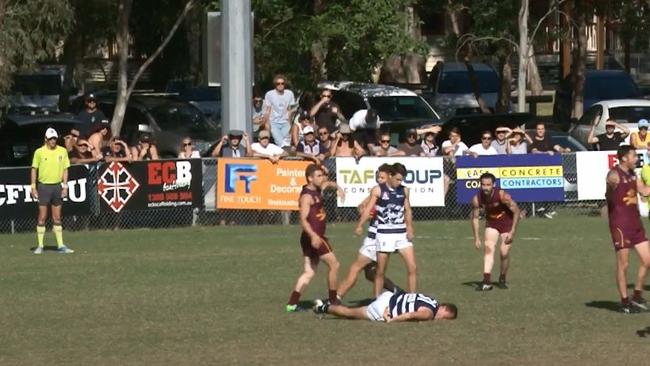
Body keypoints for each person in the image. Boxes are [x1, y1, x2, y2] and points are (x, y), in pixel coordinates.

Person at [286, 164, 344, 312]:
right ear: (310, 178)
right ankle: (333, 301)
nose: (322, 178)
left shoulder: (318, 187)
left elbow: (328, 183)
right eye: (318, 176)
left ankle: (292, 304)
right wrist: (313, 236)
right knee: (334, 264)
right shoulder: (306, 197)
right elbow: (303, 220)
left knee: (309, 272)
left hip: (311, 237)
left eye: (322, 175)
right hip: (314, 237)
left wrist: (339, 188)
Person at [337, 164, 400, 299]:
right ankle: (398, 292)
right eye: (378, 177)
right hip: (380, 238)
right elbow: (363, 206)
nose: (379, 180)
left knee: (355, 268)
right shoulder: (377, 190)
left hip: (376, 238)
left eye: (382, 177)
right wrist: (363, 208)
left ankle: (336, 298)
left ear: (390, 177)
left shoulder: (390, 193)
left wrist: (362, 222)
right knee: (371, 273)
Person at [356, 163, 416, 297]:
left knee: (412, 267)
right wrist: (360, 225)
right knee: (380, 271)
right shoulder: (378, 190)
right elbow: (367, 210)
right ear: (390, 176)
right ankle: (376, 300)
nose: (399, 182)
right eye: (397, 179)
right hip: (384, 234)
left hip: (401, 234)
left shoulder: (404, 190)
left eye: (402, 180)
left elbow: (407, 209)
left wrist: (410, 227)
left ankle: (412, 299)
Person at [605, 145, 650, 313]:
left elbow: (644, 191)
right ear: (624, 158)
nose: (636, 159)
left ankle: (637, 295)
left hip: (635, 223)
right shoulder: (614, 175)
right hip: (621, 225)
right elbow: (608, 192)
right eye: (634, 156)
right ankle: (624, 301)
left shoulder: (633, 174)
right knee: (623, 264)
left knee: (647, 260)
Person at [470, 173, 520, 291]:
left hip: (507, 223)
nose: (485, 188)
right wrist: (476, 237)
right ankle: (486, 281)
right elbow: (475, 218)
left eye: (488, 185)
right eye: (483, 185)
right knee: (489, 248)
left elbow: (517, 211)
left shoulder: (502, 195)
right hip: (492, 223)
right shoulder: (476, 198)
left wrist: (512, 231)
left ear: (493, 185)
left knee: (503, 253)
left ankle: (502, 278)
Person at [30, 128, 74, 254]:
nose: (53, 141)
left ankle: (60, 245)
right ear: (46, 139)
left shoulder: (62, 151)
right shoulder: (39, 152)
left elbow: (66, 169)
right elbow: (34, 169)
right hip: (44, 187)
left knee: (57, 218)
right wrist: (33, 187)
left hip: (57, 186)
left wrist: (65, 186)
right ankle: (40, 245)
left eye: (54, 138)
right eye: (50, 139)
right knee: (42, 217)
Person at [313, 290, 458, 322]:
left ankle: (322, 307)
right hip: (383, 309)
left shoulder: (432, 300)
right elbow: (410, 315)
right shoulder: (429, 313)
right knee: (350, 314)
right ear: (444, 309)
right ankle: (323, 308)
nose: (442, 320)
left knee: (351, 312)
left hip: (389, 296)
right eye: (445, 318)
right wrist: (391, 319)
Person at [263, 74, 295, 148]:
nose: (280, 85)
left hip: (285, 122)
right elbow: (268, 110)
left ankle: (283, 156)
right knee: (280, 142)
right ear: (275, 85)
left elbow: (289, 110)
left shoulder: (289, 94)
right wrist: (267, 124)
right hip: (274, 122)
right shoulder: (270, 94)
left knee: (286, 142)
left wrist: (290, 124)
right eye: (278, 83)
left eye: (282, 83)